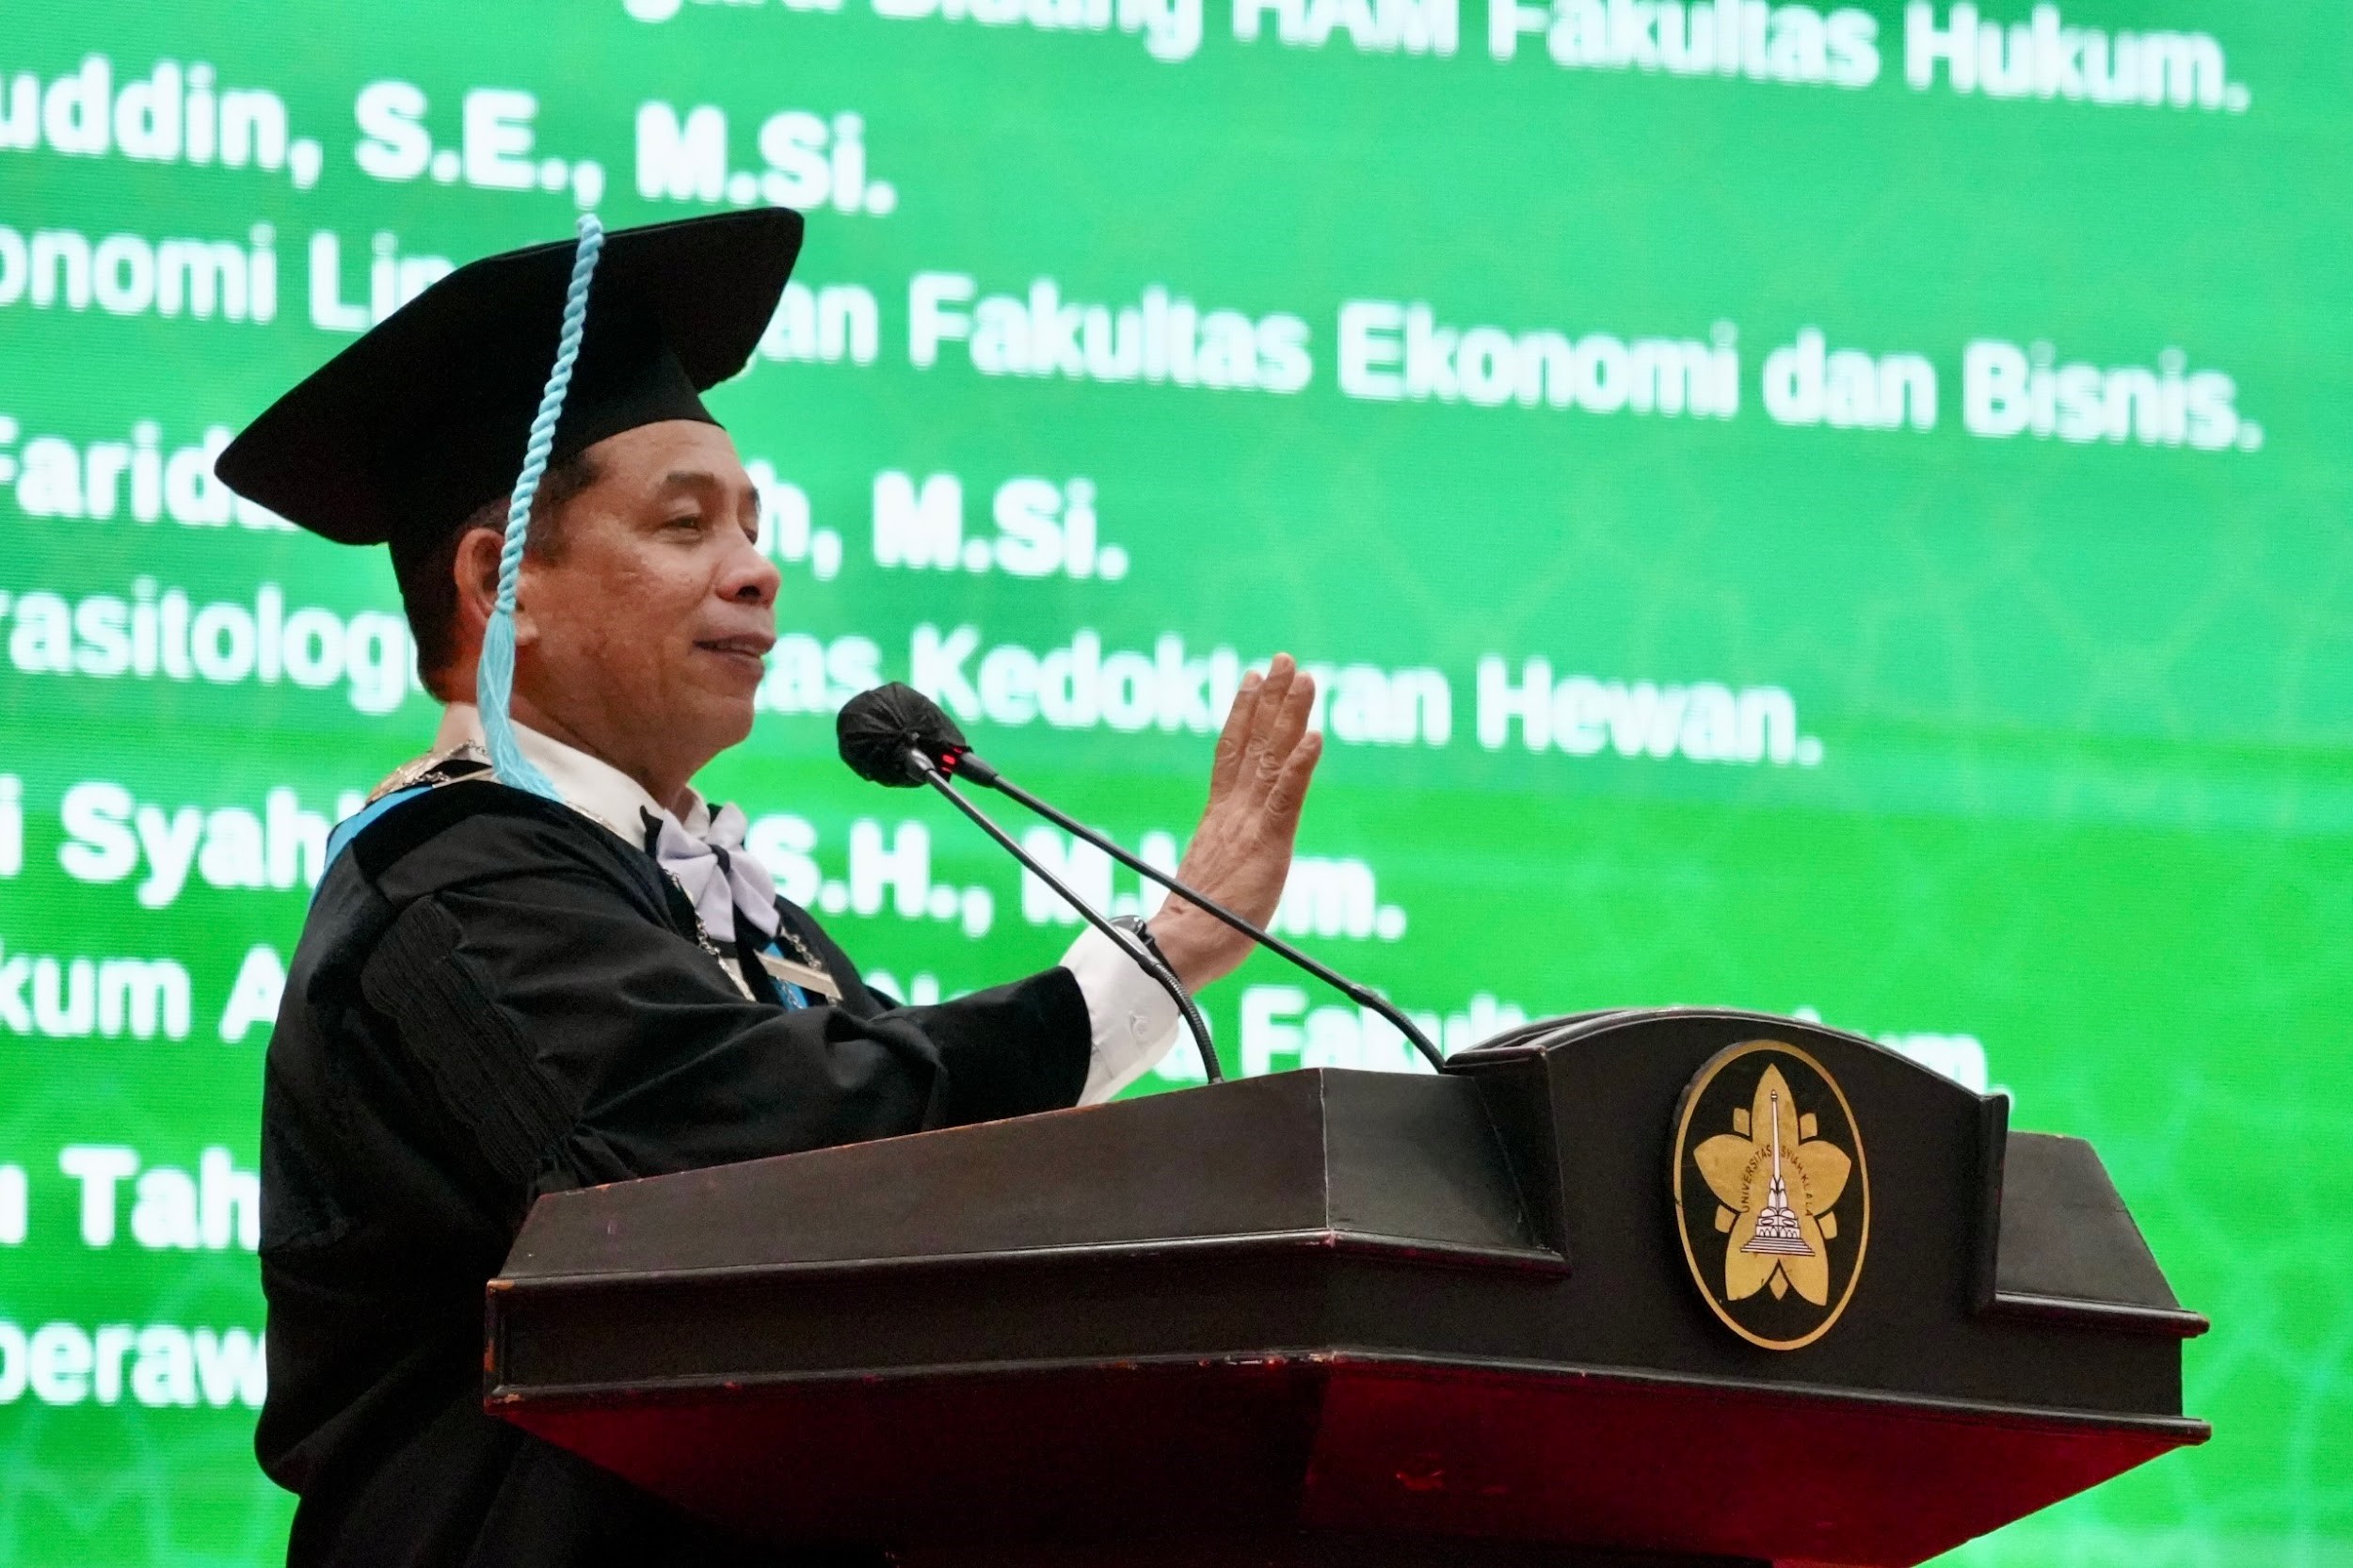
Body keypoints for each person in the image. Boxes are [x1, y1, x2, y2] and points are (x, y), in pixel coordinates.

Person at [215, 209, 1324, 1567]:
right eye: (686, 525)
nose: (758, 568)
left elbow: (922, 1179)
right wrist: (1149, 964)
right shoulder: (450, 884)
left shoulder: (742, 919)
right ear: (505, 581)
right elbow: (741, 1148)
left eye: (752, 523)